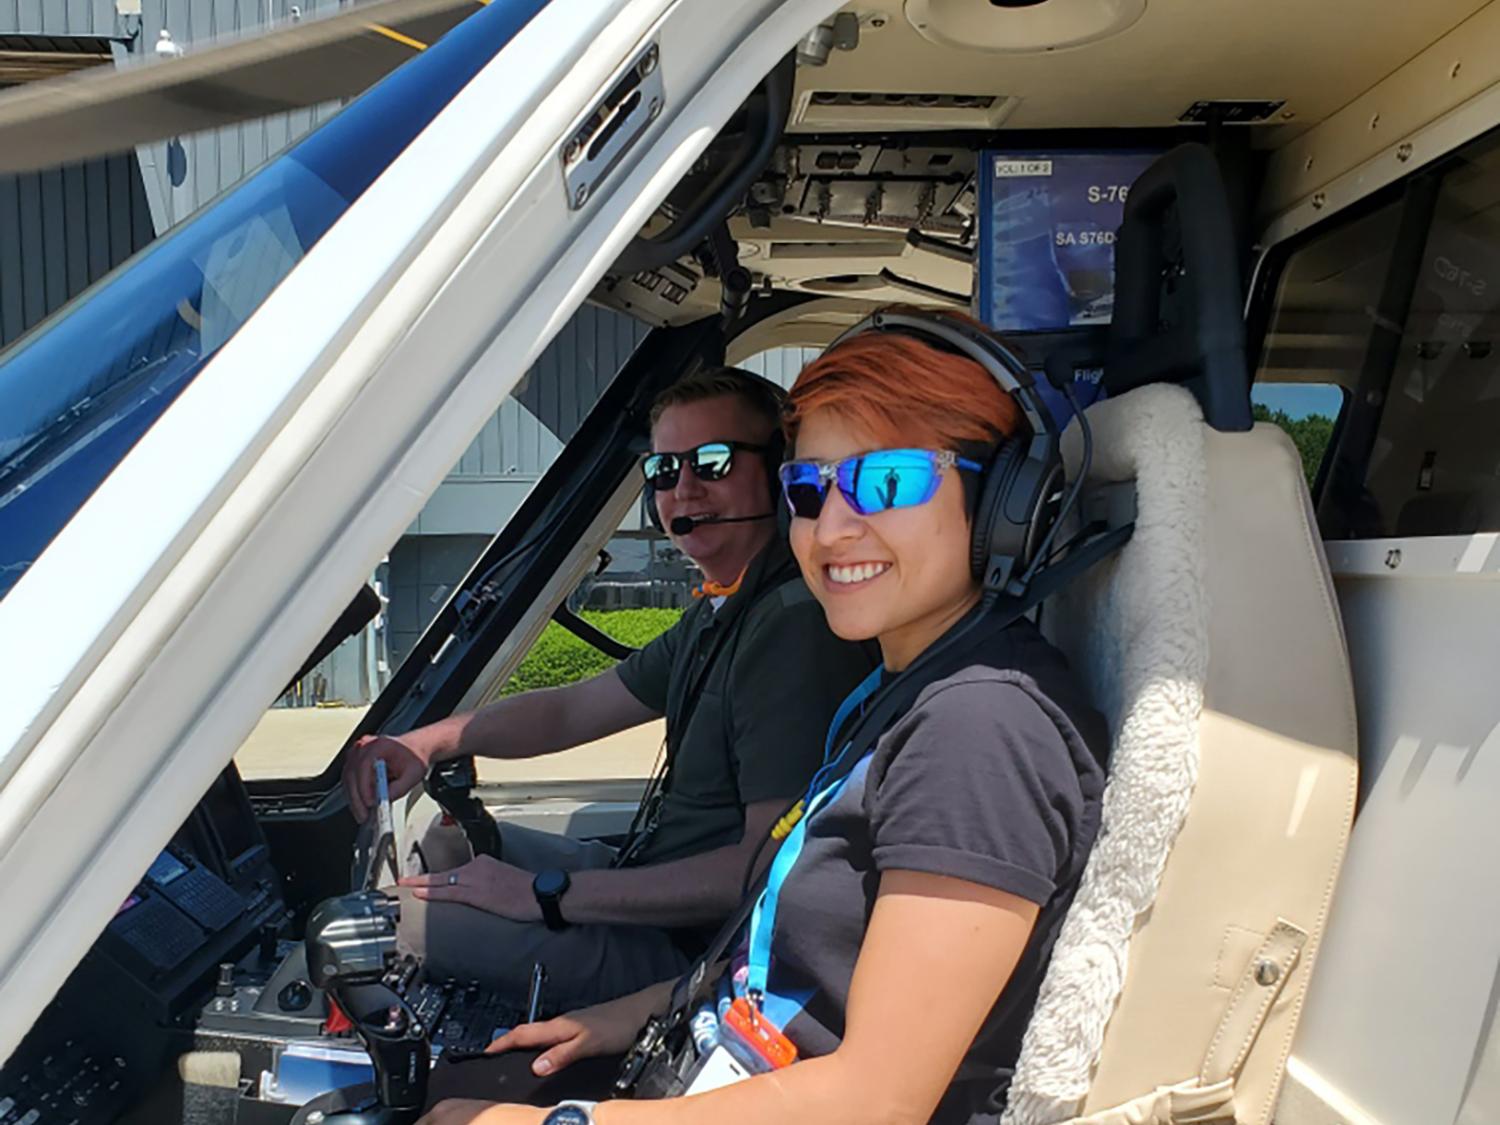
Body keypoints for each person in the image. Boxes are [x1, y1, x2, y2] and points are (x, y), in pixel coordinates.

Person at [414, 310, 1109, 1125]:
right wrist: (642, 1008)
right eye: (810, 488)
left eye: (888, 480)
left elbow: (878, 1100)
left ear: (1005, 503)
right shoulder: (903, 689)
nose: (835, 525)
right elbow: (799, 969)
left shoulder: (980, 731)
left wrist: (563, 1123)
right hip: (726, 1045)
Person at [342, 368, 876, 1013]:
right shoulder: (724, 609)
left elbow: (760, 876)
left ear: (781, 472)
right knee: (447, 844)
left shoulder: (791, 627)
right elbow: (572, 709)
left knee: (362, 933)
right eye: (663, 471)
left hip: (694, 952)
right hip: (651, 895)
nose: (683, 490)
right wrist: (427, 742)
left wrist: (546, 894)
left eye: (713, 463)